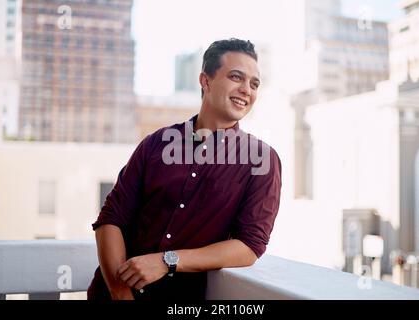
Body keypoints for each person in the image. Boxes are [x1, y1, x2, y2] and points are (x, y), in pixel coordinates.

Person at [87, 38, 282, 300]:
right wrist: (121, 293)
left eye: (254, 83)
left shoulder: (261, 160)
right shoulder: (156, 144)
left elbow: (249, 246)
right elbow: (111, 218)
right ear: (205, 81)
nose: (247, 89)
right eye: (237, 77)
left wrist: (168, 260)